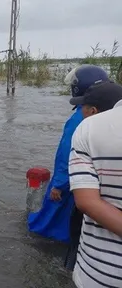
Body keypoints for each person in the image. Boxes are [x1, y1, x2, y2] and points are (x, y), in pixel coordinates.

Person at [27, 65, 109, 249]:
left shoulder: (79, 118)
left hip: (72, 183)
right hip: (94, 183)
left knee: (49, 219)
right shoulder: (108, 114)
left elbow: (67, 154)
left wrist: (59, 184)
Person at [68, 81, 122, 288]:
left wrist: (57, 185)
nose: (79, 111)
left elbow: (87, 202)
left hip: (97, 273)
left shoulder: (88, 128)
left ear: (93, 110)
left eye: (82, 106)